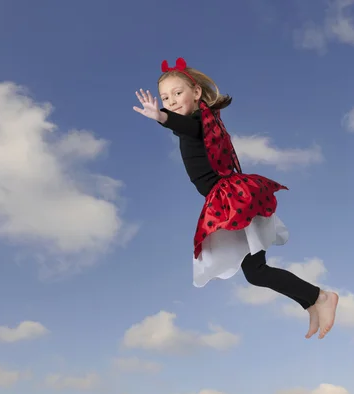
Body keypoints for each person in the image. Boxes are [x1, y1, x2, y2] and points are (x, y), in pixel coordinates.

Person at [132, 57, 339, 339]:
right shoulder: (205, 119)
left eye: (177, 93)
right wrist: (166, 117)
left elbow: (186, 127)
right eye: (165, 98)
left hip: (232, 201)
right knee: (256, 272)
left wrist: (162, 117)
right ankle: (313, 301)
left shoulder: (196, 123)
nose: (171, 100)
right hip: (228, 200)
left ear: (196, 93)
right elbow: (185, 127)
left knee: (256, 272)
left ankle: (320, 297)